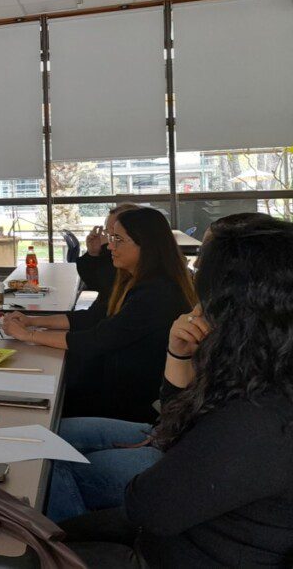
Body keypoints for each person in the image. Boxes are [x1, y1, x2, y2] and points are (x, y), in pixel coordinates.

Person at [63, 216, 293, 568]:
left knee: (51, 470)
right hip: (179, 501)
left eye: (203, 266)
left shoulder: (261, 417)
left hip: (173, 549)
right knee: (53, 440)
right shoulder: (262, 367)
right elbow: (177, 427)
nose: (195, 273)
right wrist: (178, 353)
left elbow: (148, 506)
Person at [3, 207, 196, 422]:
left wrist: (29, 336)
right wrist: (32, 321)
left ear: (146, 245)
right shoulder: (134, 280)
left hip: (128, 400)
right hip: (114, 380)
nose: (110, 246)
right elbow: (92, 318)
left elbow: (97, 340)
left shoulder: (156, 293)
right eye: (111, 237)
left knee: (39, 403)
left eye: (118, 239)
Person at [76, 203, 140, 316]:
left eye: (116, 236)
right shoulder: (109, 250)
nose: (110, 243)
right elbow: (93, 284)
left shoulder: (148, 287)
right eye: (108, 232)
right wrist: (93, 254)